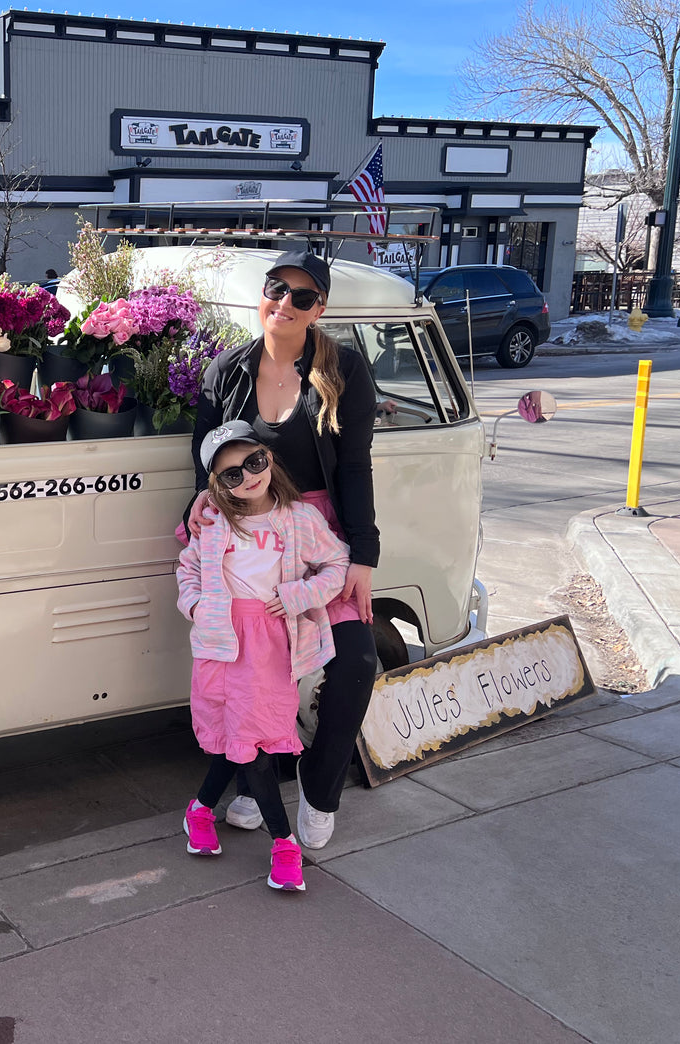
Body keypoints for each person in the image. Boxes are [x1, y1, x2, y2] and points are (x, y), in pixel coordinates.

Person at [185, 250, 381, 850]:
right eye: (278, 289)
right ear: (262, 292)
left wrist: (364, 556)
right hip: (247, 530)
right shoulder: (226, 371)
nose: (286, 304)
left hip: (317, 535)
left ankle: (319, 792)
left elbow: (354, 466)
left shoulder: (345, 369)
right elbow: (204, 455)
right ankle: (250, 784)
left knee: (354, 663)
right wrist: (198, 501)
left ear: (319, 308)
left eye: (303, 296)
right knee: (250, 667)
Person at [178, 422, 350, 892]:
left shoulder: (298, 518)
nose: (248, 477)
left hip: (272, 643)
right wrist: (194, 606)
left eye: (254, 463)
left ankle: (228, 821)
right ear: (217, 483)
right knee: (241, 740)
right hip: (220, 642)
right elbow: (188, 568)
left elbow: (337, 564)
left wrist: (299, 593)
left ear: (268, 458)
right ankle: (275, 840)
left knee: (252, 741)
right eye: (232, 474)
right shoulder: (213, 522)